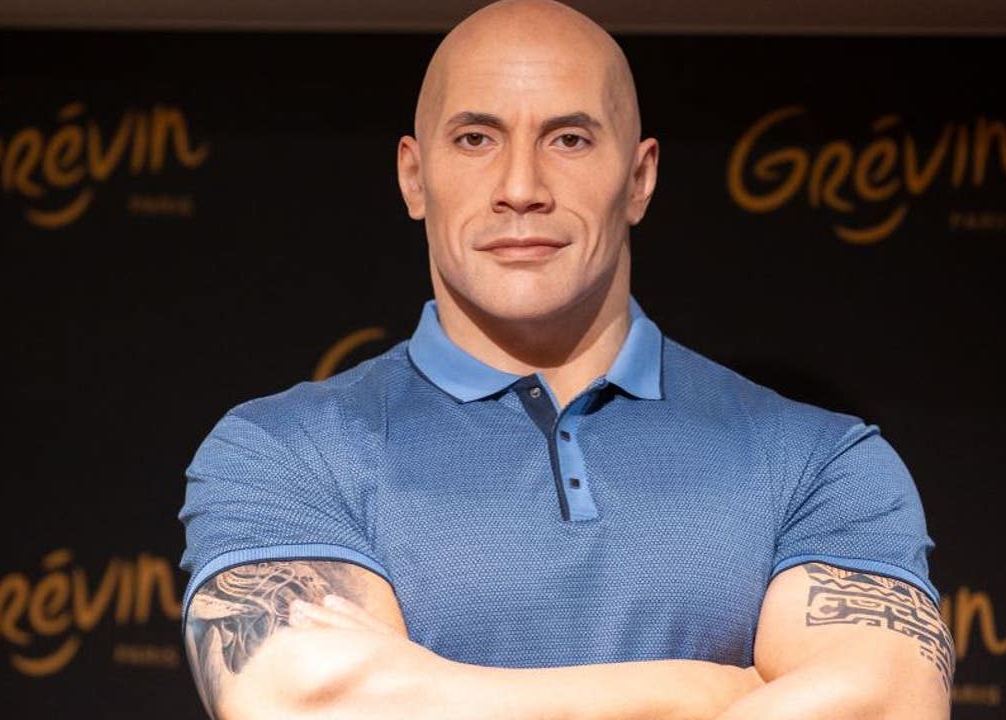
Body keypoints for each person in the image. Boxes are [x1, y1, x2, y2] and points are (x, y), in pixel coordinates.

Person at [177, 1, 954, 718]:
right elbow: (310, 705)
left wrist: (435, 689)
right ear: (415, 177)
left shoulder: (819, 463)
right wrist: (710, 690)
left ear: (639, 179)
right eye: (476, 138)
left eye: (570, 139)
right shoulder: (283, 453)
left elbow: (883, 706)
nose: (521, 188)